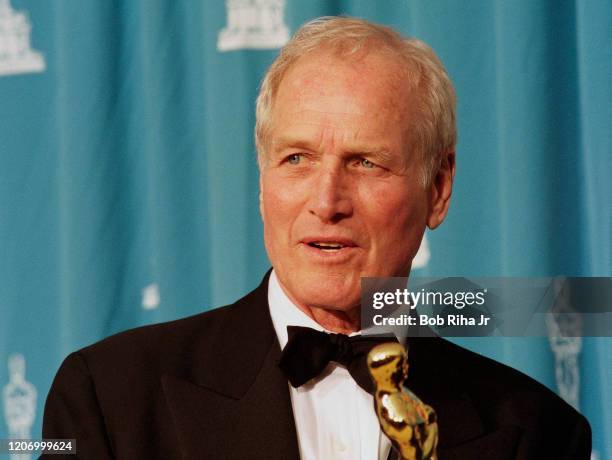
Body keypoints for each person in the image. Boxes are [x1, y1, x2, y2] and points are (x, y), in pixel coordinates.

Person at [43, 16, 591, 459]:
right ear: (263, 182)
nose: (327, 202)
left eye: (367, 163)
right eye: (296, 159)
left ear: (439, 188)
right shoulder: (110, 399)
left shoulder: (536, 432)